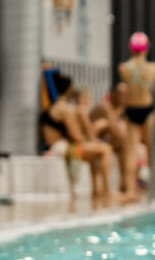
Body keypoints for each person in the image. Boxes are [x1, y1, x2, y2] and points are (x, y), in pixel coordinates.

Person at [40, 75, 115, 205]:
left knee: (94, 151)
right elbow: (76, 136)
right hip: (61, 147)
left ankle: (96, 190)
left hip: (55, 145)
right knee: (106, 150)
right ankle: (107, 190)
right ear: (68, 89)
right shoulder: (66, 108)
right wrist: (93, 135)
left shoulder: (54, 106)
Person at [117, 31, 155, 201]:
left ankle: (130, 192)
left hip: (131, 109)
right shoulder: (153, 68)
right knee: (151, 151)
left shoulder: (123, 68)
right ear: (147, 48)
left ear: (130, 48)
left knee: (131, 152)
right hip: (147, 109)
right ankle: (154, 190)